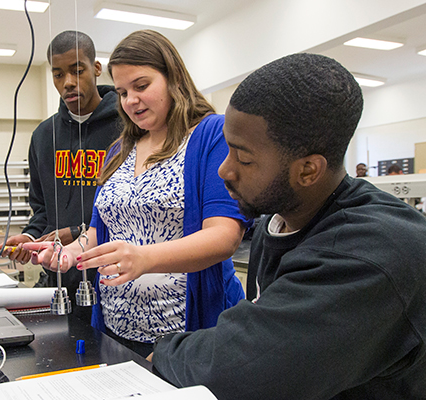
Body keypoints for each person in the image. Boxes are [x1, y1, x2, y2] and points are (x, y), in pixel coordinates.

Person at [149, 53, 426, 399]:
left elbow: (246, 368)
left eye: (244, 158)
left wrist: (164, 351)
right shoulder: (280, 219)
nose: (224, 170)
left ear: (308, 170)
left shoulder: (371, 253)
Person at [16, 30, 252, 357]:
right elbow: (101, 231)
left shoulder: (211, 134)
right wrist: (69, 254)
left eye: (141, 86)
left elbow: (224, 238)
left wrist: (144, 258)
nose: (130, 101)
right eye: (123, 92)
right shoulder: (121, 148)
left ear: (173, 79)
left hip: (184, 337)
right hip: (115, 328)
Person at [0, 31, 121, 318]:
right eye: (58, 74)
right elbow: (41, 209)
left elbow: (132, 212)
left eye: (78, 70)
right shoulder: (43, 137)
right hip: (60, 282)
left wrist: (76, 232)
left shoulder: (125, 129)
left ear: (97, 69)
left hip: (112, 278)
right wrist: (30, 237)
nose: (68, 82)